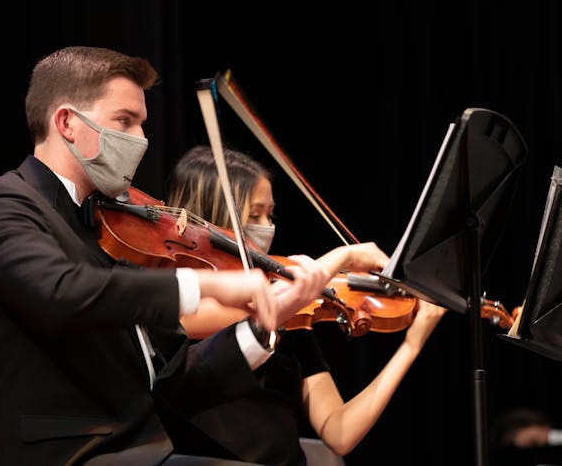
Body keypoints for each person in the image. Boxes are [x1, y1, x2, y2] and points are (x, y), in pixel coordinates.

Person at [0, 46, 353, 466]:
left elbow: (175, 383)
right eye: (124, 122)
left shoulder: (114, 225)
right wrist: (206, 282)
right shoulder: (2, 204)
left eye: (142, 124)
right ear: (67, 122)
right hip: (70, 454)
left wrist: (264, 322)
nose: (141, 140)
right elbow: (61, 292)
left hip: (141, 450)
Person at [158, 145, 448, 465]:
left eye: (270, 214)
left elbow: (340, 433)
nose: (267, 226)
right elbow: (255, 312)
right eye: (255, 215)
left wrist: (411, 345)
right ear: (212, 215)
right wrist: (343, 257)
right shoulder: (176, 297)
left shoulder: (293, 321)